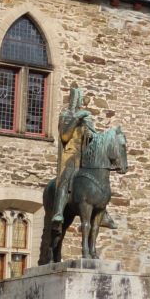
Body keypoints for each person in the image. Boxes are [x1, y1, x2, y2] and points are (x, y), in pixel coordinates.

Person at [51, 87, 96, 225]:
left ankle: (103, 212)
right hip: (70, 154)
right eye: (76, 98)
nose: (78, 102)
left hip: (84, 155)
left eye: (80, 98)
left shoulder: (85, 118)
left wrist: (90, 135)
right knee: (67, 176)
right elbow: (64, 136)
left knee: (98, 178)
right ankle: (58, 211)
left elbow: (94, 136)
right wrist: (76, 119)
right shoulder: (66, 115)